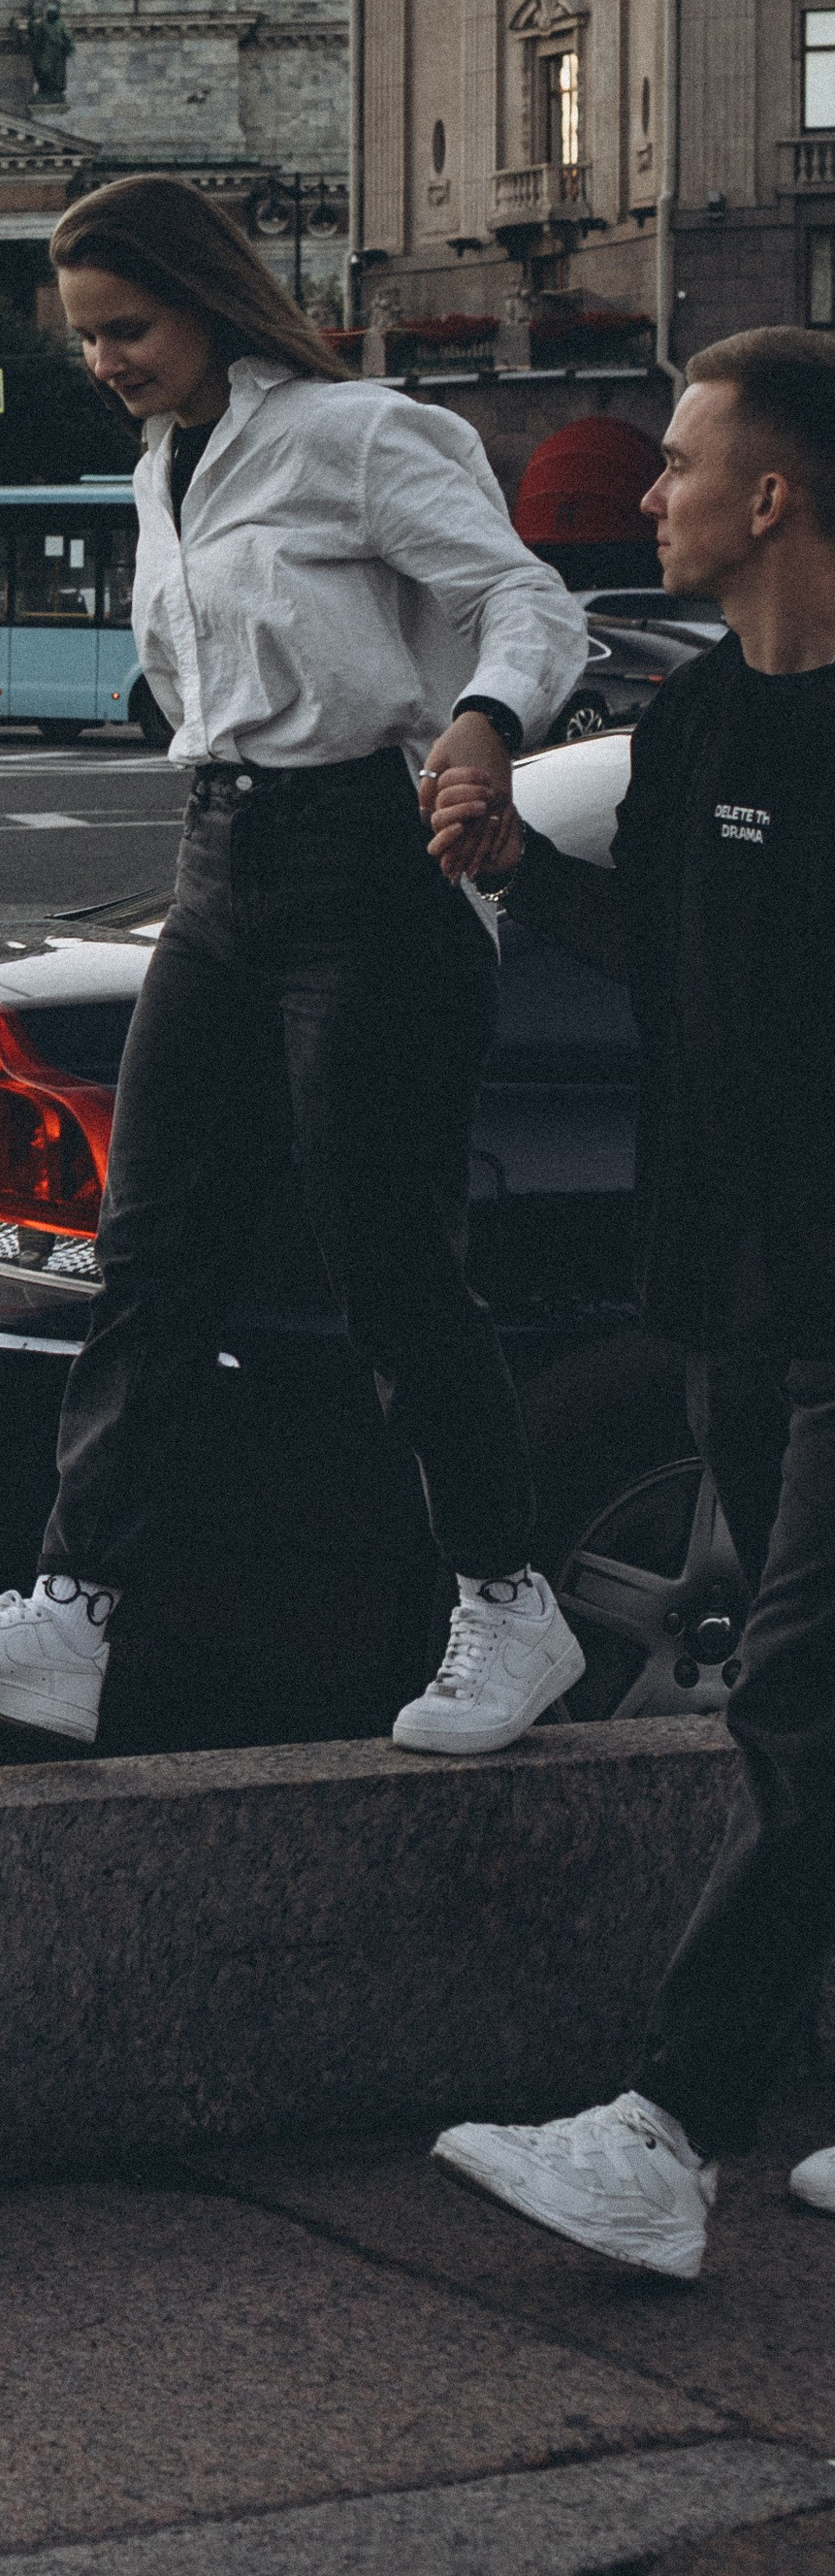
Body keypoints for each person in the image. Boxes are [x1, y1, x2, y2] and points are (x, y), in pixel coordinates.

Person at [0, 174, 589, 1754]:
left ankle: (511, 1608)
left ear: (206, 299)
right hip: (219, 860)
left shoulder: (358, 433)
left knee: (388, 1259)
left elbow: (525, 599)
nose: (107, 359)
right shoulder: (159, 469)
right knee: (153, 1250)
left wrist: (485, 722)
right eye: (85, 340)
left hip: (369, 871)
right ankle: (74, 1618)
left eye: (128, 328)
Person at [425, 329, 835, 2276]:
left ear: (769, 500)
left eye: (676, 465)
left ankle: (664, 2130)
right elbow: (670, 981)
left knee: (799, 1699)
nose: (641, 494)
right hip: (727, 1310)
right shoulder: (700, 731)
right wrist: (512, 869)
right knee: (799, 1732)